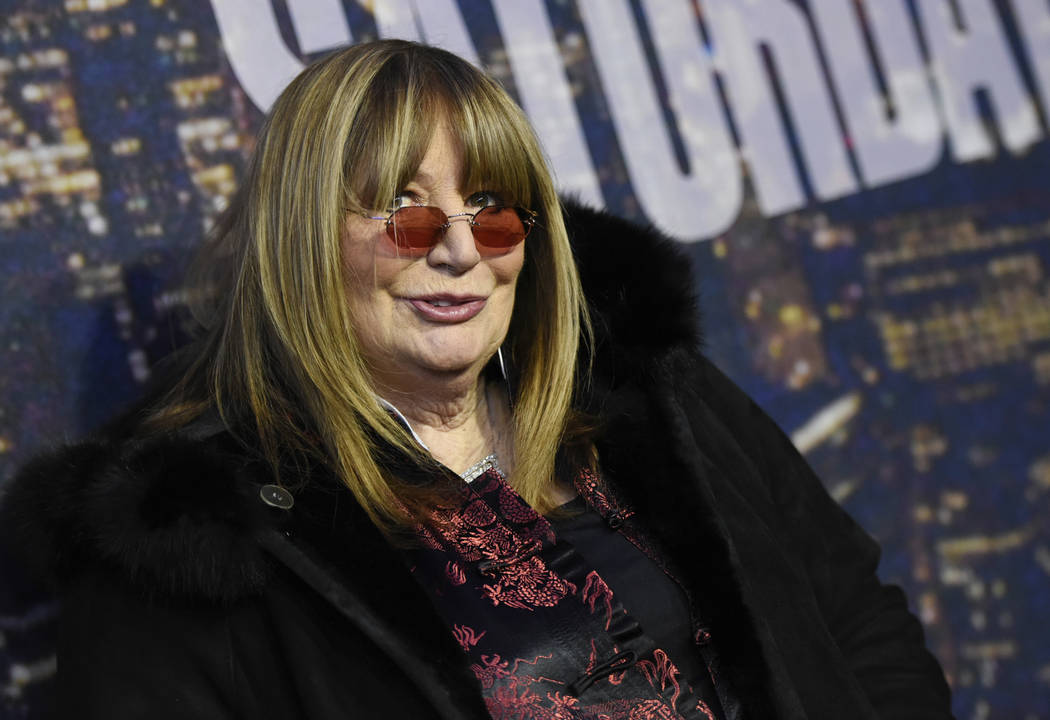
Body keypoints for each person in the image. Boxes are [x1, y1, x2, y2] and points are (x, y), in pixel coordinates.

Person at [1, 40, 953, 719]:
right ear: (303, 241)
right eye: (404, 213)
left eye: (493, 210)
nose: (461, 249)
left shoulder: (656, 395)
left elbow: (853, 618)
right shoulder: (191, 537)